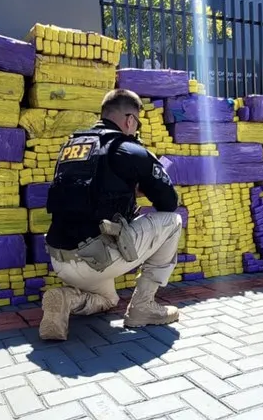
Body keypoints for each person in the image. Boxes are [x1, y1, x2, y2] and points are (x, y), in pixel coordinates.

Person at [40, 88, 183, 341]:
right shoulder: (128, 149)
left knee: (108, 299)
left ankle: (66, 299)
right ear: (130, 119)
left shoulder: (73, 146)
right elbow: (169, 202)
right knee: (173, 222)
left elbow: (92, 190)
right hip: (97, 259)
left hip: (60, 258)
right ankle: (143, 307)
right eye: (136, 122)